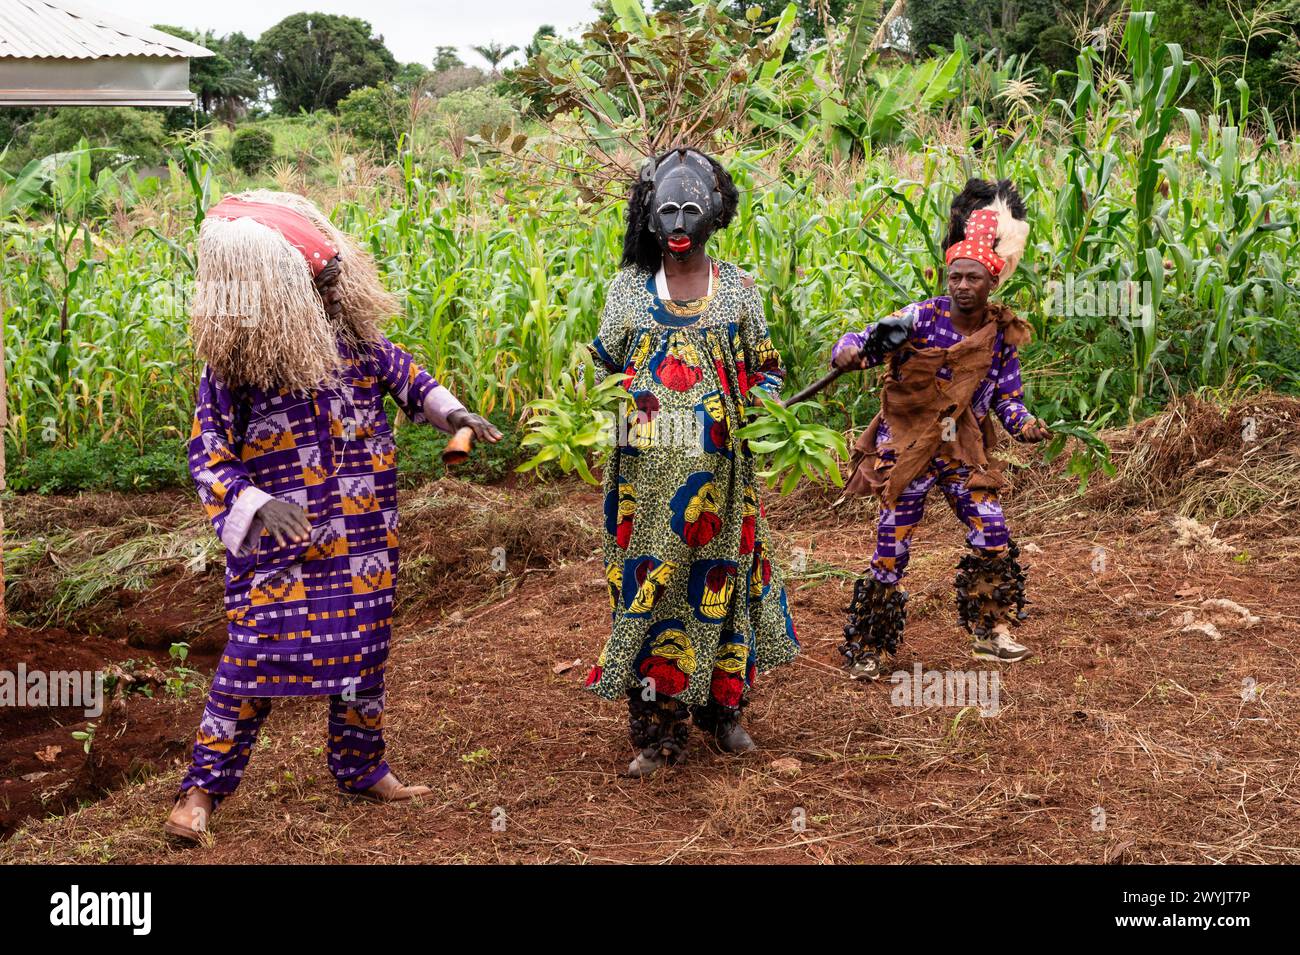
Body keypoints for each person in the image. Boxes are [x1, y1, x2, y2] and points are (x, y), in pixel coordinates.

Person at [165, 191, 500, 842]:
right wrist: (258, 505)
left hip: (365, 534)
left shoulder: (356, 343)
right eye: (315, 285)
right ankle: (200, 793)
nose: (328, 293)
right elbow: (208, 454)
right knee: (252, 664)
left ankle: (361, 766)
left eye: (328, 281)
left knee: (364, 657)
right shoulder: (234, 366)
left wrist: (455, 414)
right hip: (281, 547)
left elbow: (411, 379)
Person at [583, 147, 799, 778]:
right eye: (666, 212)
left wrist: (765, 402)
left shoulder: (737, 289)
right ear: (649, 216)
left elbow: (766, 369)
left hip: (722, 477)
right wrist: (595, 405)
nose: (677, 226)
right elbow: (599, 365)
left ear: (715, 214)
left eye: (690, 211)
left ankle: (722, 712)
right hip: (644, 484)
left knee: (720, 586)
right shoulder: (627, 289)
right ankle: (655, 730)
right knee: (651, 590)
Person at [832, 178, 1050, 681]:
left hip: (959, 449)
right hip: (909, 445)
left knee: (992, 532)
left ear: (991, 282)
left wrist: (1027, 427)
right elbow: (862, 341)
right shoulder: (920, 317)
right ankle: (867, 647)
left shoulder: (999, 335)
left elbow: (1007, 400)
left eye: (972, 278)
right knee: (892, 548)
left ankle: (991, 632)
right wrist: (848, 352)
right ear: (946, 276)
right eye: (955, 277)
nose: (962, 286)